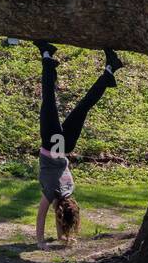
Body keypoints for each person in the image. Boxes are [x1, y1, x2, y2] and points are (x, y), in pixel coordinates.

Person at [33, 40, 123, 247]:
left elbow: (60, 210)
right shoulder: (50, 193)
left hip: (65, 147)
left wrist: (62, 237)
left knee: (84, 106)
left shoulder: (69, 189)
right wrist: (40, 242)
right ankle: (47, 54)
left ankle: (110, 70)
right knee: (49, 99)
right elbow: (41, 217)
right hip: (51, 143)